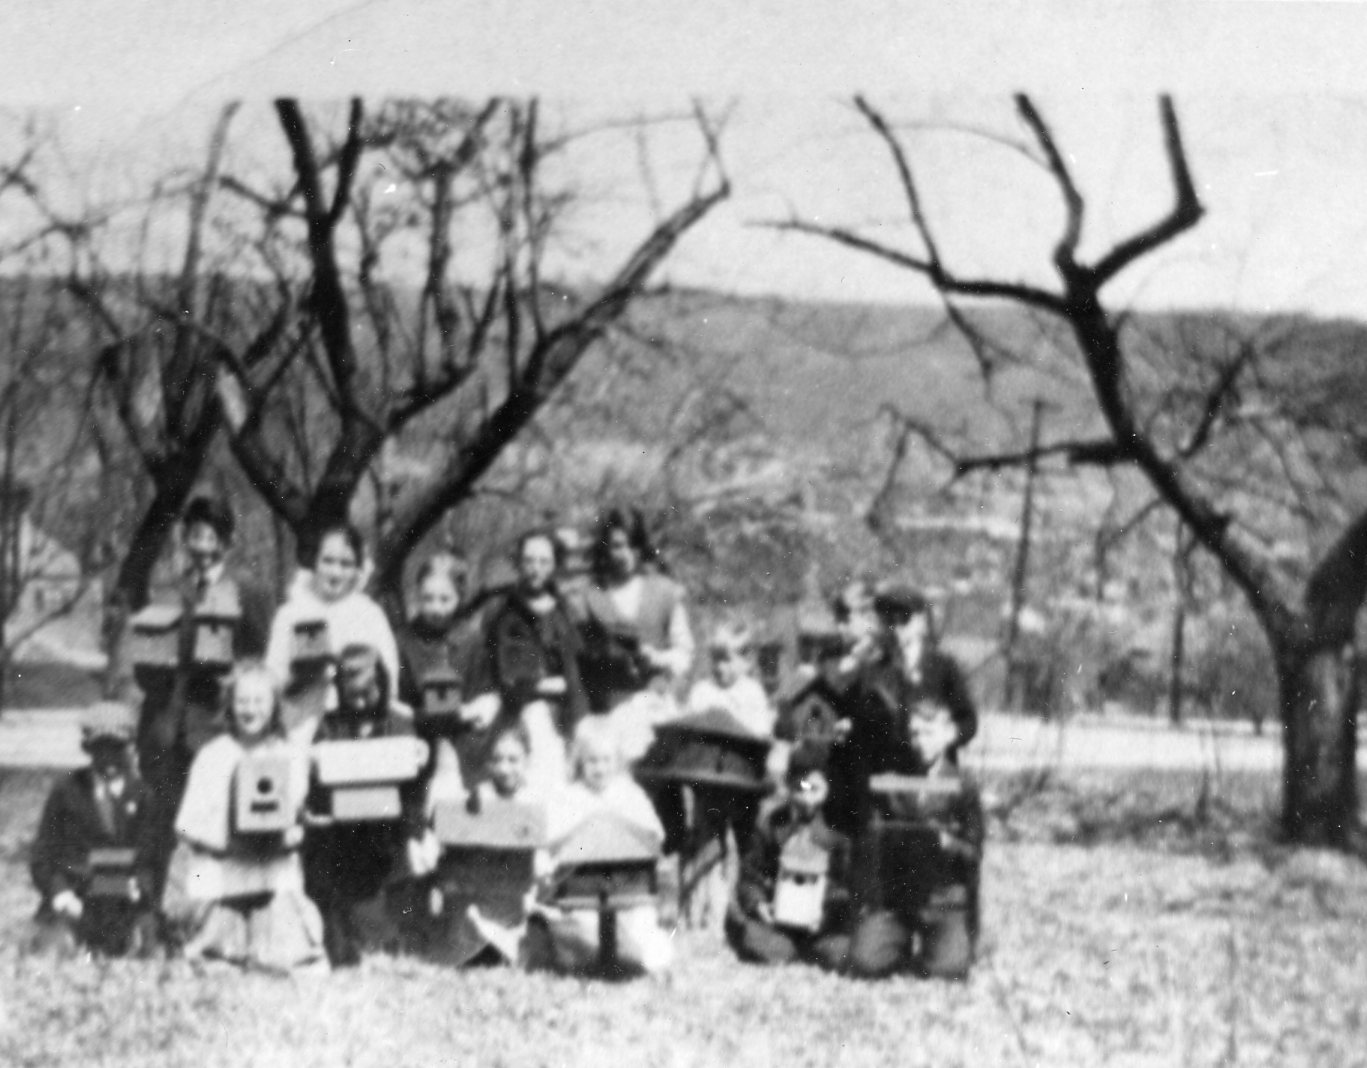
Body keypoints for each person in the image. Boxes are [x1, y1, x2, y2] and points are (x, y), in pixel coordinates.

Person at [135, 495, 274, 901]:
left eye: (211, 537)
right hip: (166, 727)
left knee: (213, 823)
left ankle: (212, 906)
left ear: (226, 543)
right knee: (161, 823)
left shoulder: (247, 590)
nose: (201, 546)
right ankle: (157, 910)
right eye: (194, 535)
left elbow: (262, 658)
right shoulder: (169, 590)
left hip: (216, 725)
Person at [173, 662, 327, 973]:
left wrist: (288, 833)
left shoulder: (290, 754)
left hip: (271, 870)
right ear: (229, 705)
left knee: (282, 959)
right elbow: (187, 825)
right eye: (242, 701)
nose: (250, 710)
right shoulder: (213, 755)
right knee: (216, 961)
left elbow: (297, 813)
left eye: (259, 701)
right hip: (223, 870)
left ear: (274, 706)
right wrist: (227, 840)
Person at [299, 644, 429, 967]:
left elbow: (414, 791)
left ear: (382, 683)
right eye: (351, 693)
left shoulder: (398, 724)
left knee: (381, 926)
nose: (358, 701)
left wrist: (414, 834)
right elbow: (316, 787)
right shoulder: (330, 726)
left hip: (387, 841)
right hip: (341, 840)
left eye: (366, 693)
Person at [822, 584, 978, 838]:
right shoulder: (873, 670)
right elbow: (852, 714)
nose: (896, 628)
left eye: (904, 619)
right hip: (885, 786)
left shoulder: (943, 667)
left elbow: (968, 722)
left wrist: (944, 736)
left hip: (932, 785)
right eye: (889, 621)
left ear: (921, 622)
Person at [845, 703, 984, 980]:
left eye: (928, 732)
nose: (920, 742)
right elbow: (871, 844)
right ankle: (899, 943)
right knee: (865, 962)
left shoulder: (964, 785)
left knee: (949, 969)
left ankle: (942, 944)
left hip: (942, 899)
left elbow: (973, 853)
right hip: (898, 898)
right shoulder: (892, 782)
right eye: (915, 733)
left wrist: (946, 842)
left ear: (948, 735)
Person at [534, 717, 674, 976]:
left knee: (640, 926)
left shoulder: (629, 794)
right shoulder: (569, 796)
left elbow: (654, 834)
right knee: (578, 932)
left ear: (617, 761)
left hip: (624, 884)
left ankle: (644, 959)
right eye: (592, 761)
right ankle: (586, 954)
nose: (600, 768)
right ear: (580, 761)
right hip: (580, 886)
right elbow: (550, 839)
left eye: (606, 760)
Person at [28, 702, 157, 957]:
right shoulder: (67, 791)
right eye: (100, 749)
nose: (109, 758)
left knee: (145, 949)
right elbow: (43, 855)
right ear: (87, 748)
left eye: (117, 748)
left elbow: (150, 857)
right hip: (74, 895)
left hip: (123, 899)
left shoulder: (142, 795)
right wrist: (61, 894)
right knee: (54, 951)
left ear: (130, 747)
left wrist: (139, 889)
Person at [476, 529, 588, 793]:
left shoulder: (565, 611)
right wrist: (547, 685)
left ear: (555, 564)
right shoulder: (503, 611)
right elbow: (504, 673)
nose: (536, 569)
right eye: (529, 560)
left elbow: (576, 668)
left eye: (544, 561)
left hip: (564, 715)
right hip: (518, 714)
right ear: (518, 563)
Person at [724, 745, 851, 971]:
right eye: (800, 789)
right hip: (778, 920)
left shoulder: (838, 832)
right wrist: (758, 903)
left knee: (840, 951)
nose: (807, 799)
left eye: (815, 789)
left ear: (827, 788)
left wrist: (826, 913)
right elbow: (750, 875)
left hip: (821, 925)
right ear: (790, 786)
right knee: (758, 939)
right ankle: (786, 949)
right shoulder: (772, 824)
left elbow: (846, 885)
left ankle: (808, 948)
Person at [265, 522, 400, 727]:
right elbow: (270, 683)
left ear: (357, 569)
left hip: (357, 724)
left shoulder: (370, 614)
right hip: (301, 724)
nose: (335, 573)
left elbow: (390, 681)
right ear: (314, 562)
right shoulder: (290, 614)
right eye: (328, 561)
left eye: (346, 564)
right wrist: (300, 678)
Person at [574, 508, 694, 713]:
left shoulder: (665, 591)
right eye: (618, 546)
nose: (626, 554)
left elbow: (685, 653)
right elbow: (579, 657)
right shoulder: (590, 596)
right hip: (607, 704)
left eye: (633, 545)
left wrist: (656, 658)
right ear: (605, 548)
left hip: (655, 700)